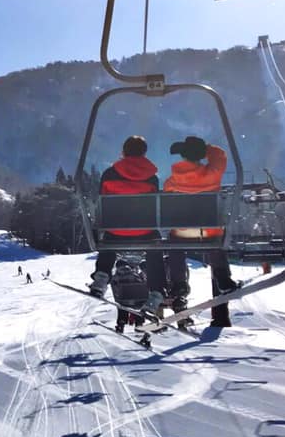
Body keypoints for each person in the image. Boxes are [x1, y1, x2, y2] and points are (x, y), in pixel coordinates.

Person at [163, 135, 238, 327]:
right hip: (208, 231)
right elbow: (220, 155)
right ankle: (222, 280)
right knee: (216, 246)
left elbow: (167, 199)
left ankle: (179, 284)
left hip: (182, 233)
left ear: (183, 155)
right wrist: (203, 148)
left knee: (174, 246)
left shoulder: (172, 180)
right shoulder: (213, 174)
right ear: (201, 155)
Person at [89, 135, 166, 315]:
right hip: (144, 232)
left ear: (123, 152)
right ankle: (156, 291)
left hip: (116, 230)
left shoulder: (109, 174)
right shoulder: (151, 177)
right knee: (155, 244)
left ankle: (102, 276)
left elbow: (103, 201)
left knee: (108, 235)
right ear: (144, 153)